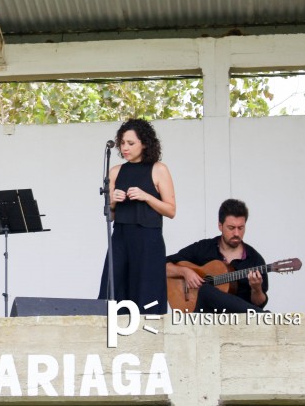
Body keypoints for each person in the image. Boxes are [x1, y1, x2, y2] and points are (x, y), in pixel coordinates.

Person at [97, 118, 175, 314]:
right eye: (123, 143)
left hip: (148, 239)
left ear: (145, 143)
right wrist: (113, 201)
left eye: (131, 143)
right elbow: (110, 215)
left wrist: (146, 196)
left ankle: (149, 339)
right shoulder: (115, 171)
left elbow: (171, 210)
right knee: (113, 291)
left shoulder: (159, 169)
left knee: (147, 294)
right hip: (121, 238)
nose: (125, 148)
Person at [166, 198, 268, 313]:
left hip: (237, 319)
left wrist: (256, 289)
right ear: (220, 226)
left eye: (241, 228)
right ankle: (263, 316)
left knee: (208, 291)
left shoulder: (254, 259)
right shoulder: (203, 248)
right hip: (203, 315)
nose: (236, 233)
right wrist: (185, 272)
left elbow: (259, 303)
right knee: (205, 291)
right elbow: (162, 267)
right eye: (231, 228)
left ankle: (261, 315)